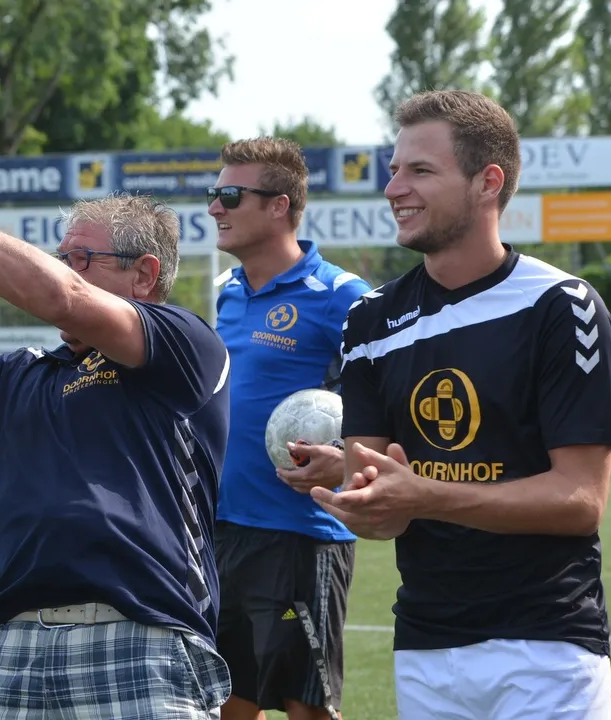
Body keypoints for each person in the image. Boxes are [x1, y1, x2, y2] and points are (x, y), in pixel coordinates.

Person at [0, 103, 233, 719]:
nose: (65, 268)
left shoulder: (183, 343)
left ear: (145, 275)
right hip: (7, 639)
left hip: (142, 636)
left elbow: (62, 297)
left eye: (82, 258)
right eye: (62, 254)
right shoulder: (21, 373)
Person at [312, 89, 611, 719]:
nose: (395, 188)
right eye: (394, 170)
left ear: (487, 182)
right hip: (424, 649)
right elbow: (382, 512)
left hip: (547, 650)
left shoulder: (562, 306)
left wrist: (427, 493)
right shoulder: (370, 320)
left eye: (420, 170)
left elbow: (580, 502)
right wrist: (346, 489)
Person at [208, 138, 370, 720]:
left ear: (279, 206)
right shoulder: (227, 292)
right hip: (222, 528)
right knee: (227, 701)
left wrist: (346, 456)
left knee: (308, 707)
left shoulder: (345, 297)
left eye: (229, 194)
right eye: (214, 194)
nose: (214, 208)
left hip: (301, 533)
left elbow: (393, 398)